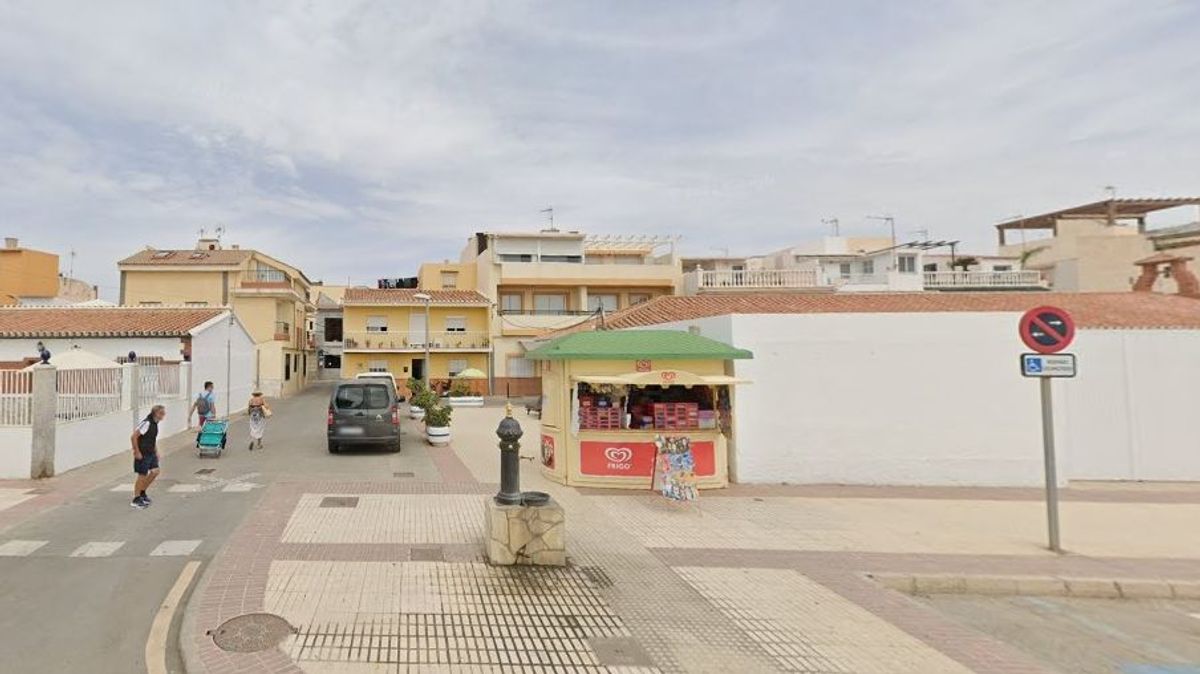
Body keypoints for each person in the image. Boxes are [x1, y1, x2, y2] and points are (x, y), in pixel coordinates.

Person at [130, 405, 165, 509]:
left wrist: (156, 452)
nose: (164, 415)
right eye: (162, 413)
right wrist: (136, 451)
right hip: (143, 453)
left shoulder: (155, 424)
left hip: (151, 453)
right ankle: (136, 498)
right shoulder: (147, 423)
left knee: (155, 471)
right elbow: (133, 437)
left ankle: (142, 492)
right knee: (142, 475)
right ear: (156, 413)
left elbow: (152, 439)